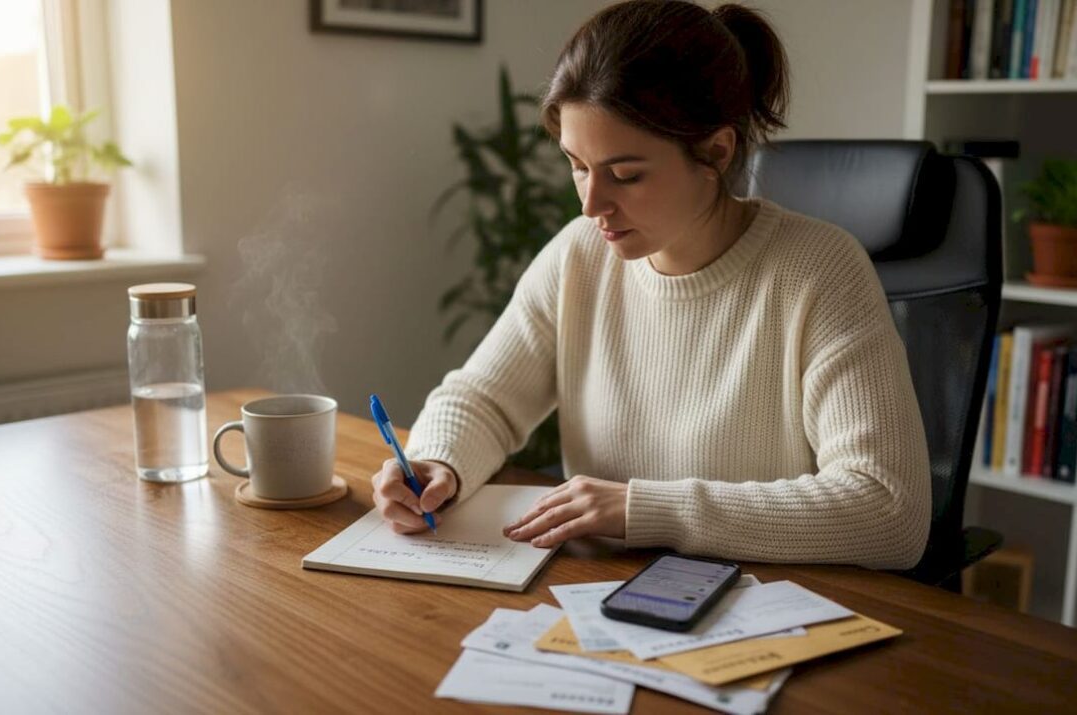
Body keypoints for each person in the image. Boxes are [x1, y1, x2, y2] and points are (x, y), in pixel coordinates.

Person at [371, 0, 931, 570]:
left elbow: (888, 510)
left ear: (715, 151)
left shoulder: (820, 271)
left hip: (765, 610)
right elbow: (483, 399)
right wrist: (439, 463)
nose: (591, 204)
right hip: (602, 598)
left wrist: (647, 509)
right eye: (577, 165)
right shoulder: (580, 255)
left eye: (625, 174)